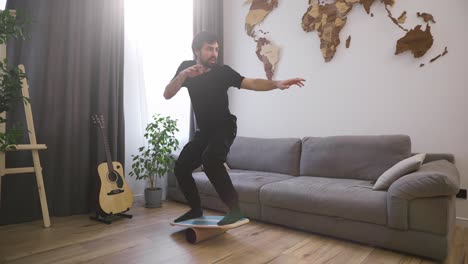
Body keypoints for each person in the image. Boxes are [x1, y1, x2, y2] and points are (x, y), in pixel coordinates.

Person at [164, 31, 305, 225]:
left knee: (210, 160)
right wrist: (183, 75)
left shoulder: (223, 72)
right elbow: (167, 94)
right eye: (209, 49)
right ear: (197, 50)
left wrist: (276, 83)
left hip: (224, 126)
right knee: (181, 166)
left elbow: (253, 83)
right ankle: (196, 210)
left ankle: (235, 210)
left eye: (216, 49)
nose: (214, 53)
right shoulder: (186, 69)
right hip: (204, 132)